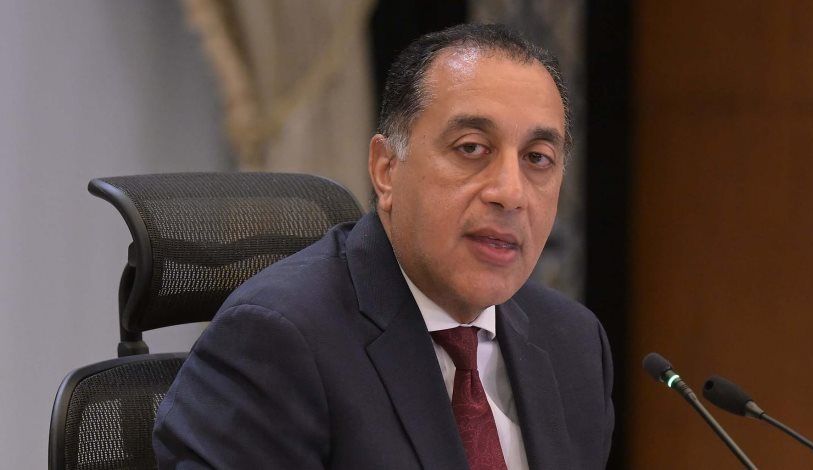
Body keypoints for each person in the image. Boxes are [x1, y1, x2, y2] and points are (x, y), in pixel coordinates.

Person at [153, 23, 613, 470]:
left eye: (537, 158)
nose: (510, 193)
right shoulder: (277, 341)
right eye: (472, 148)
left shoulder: (572, 342)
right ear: (386, 169)